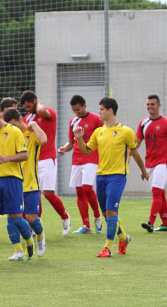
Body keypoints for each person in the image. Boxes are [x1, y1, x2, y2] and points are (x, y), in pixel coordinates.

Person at [74, 97, 149, 257]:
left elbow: (135, 153)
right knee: (107, 213)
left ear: (110, 110)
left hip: (117, 177)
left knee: (111, 212)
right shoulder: (98, 131)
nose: (99, 112)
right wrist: (80, 139)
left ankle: (107, 248)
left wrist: (143, 170)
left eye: (101, 109)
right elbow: (86, 151)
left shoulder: (126, 132)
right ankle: (123, 238)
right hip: (101, 177)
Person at [0, 103, 34, 266]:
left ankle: (29, 240)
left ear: (0, 117)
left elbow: (24, 155)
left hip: (12, 180)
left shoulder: (14, 132)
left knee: (16, 218)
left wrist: (8, 158)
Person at [21, 91, 71, 235]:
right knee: (34, 193)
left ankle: (65, 216)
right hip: (32, 161)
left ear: (36, 101)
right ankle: (36, 226)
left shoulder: (48, 113)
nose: (28, 109)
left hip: (48, 158)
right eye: (25, 107)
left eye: (30, 105)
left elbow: (41, 110)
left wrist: (39, 102)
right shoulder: (27, 118)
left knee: (48, 193)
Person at [3, 108, 47, 259]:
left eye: (15, 124)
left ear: (21, 119)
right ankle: (18, 251)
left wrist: (34, 125)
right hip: (13, 183)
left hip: (31, 183)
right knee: (11, 218)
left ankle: (40, 236)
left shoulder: (31, 134)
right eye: (10, 125)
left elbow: (44, 140)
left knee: (30, 217)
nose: (13, 128)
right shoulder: (9, 136)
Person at [58, 95, 104, 234]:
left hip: (91, 158)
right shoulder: (73, 121)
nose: (76, 112)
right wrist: (64, 148)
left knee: (87, 187)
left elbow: (102, 139)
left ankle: (97, 216)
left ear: (84, 106)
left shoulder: (96, 119)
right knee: (79, 192)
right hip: (76, 160)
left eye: (78, 109)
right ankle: (86, 225)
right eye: (74, 110)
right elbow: (71, 142)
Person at [136, 94, 167, 232]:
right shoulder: (143, 123)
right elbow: (135, 145)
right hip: (150, 164)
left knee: (156, 192)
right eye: (148, 104)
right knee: (160, 194)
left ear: (159, 105)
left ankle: (151, 222)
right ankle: (166, 223)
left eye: (152, 104)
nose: (150, 107)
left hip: (163, 163)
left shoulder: (165, 122)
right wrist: (128, 158)